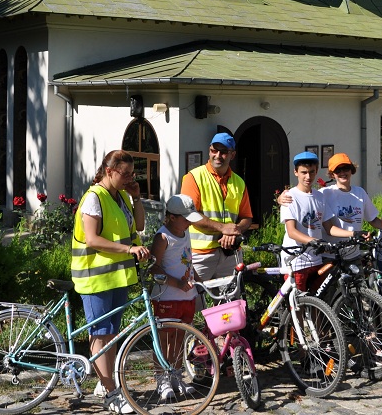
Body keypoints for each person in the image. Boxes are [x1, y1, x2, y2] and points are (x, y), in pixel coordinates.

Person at [72, 150, 149, 414]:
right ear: (109, 171)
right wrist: (128, 251)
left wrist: (137, 196)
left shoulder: (121, 197)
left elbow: (138, 226)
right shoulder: (94, 197)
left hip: (117, 277)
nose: (128, 178)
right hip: (95, 277)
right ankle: (110, 394)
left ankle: (105, 382)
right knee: (101, 333)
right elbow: (92, 239)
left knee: (111, 334)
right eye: (124, 174)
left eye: (132, 174)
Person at [149, 194, 202, 402]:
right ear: (171, 217)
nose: (189, 222)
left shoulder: (185, 232)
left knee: (180, 338)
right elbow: (154, 268)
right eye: (185, 218)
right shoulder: (162, 238)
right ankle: (161, 377)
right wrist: (177, 283)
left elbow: (188, 259)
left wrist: (197, 280)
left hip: (187, 296)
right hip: (166, 297)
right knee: (163, 339)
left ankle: (176, 375)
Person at [180, 132, 254, 282]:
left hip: (230, 253)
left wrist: (234, 230)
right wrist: (223, 228)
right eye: (214, 150)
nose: (218, 155)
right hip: (200, 254)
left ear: (232, 155)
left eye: (224, 152)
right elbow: (189, 214)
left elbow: (247, 217)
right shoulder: (193, 177)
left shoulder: (239, 182)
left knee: (230, 304)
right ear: (209, 150)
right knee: (196, 303)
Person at [279, 152, 357, 291]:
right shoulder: (290, 197)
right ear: (295, 172)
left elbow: (329, 228)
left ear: (316, 172)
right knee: (299, 306)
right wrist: (314, 241)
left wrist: (353, 234)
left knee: (317, 303)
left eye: (311, 172)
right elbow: (292, 232)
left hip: (316, 259)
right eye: (303, 172)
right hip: (297, 261)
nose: (308, 177)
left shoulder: (319, 196)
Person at [319, 153, 382, 260]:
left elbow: (373, 219)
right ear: (332, 174)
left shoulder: (360, 192)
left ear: (352, 170)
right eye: (338, 170)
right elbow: (306, 198)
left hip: (354, 254)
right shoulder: (324, 193)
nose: (343, 173)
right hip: (331, 256)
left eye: (346, 168)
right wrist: (288, 195)